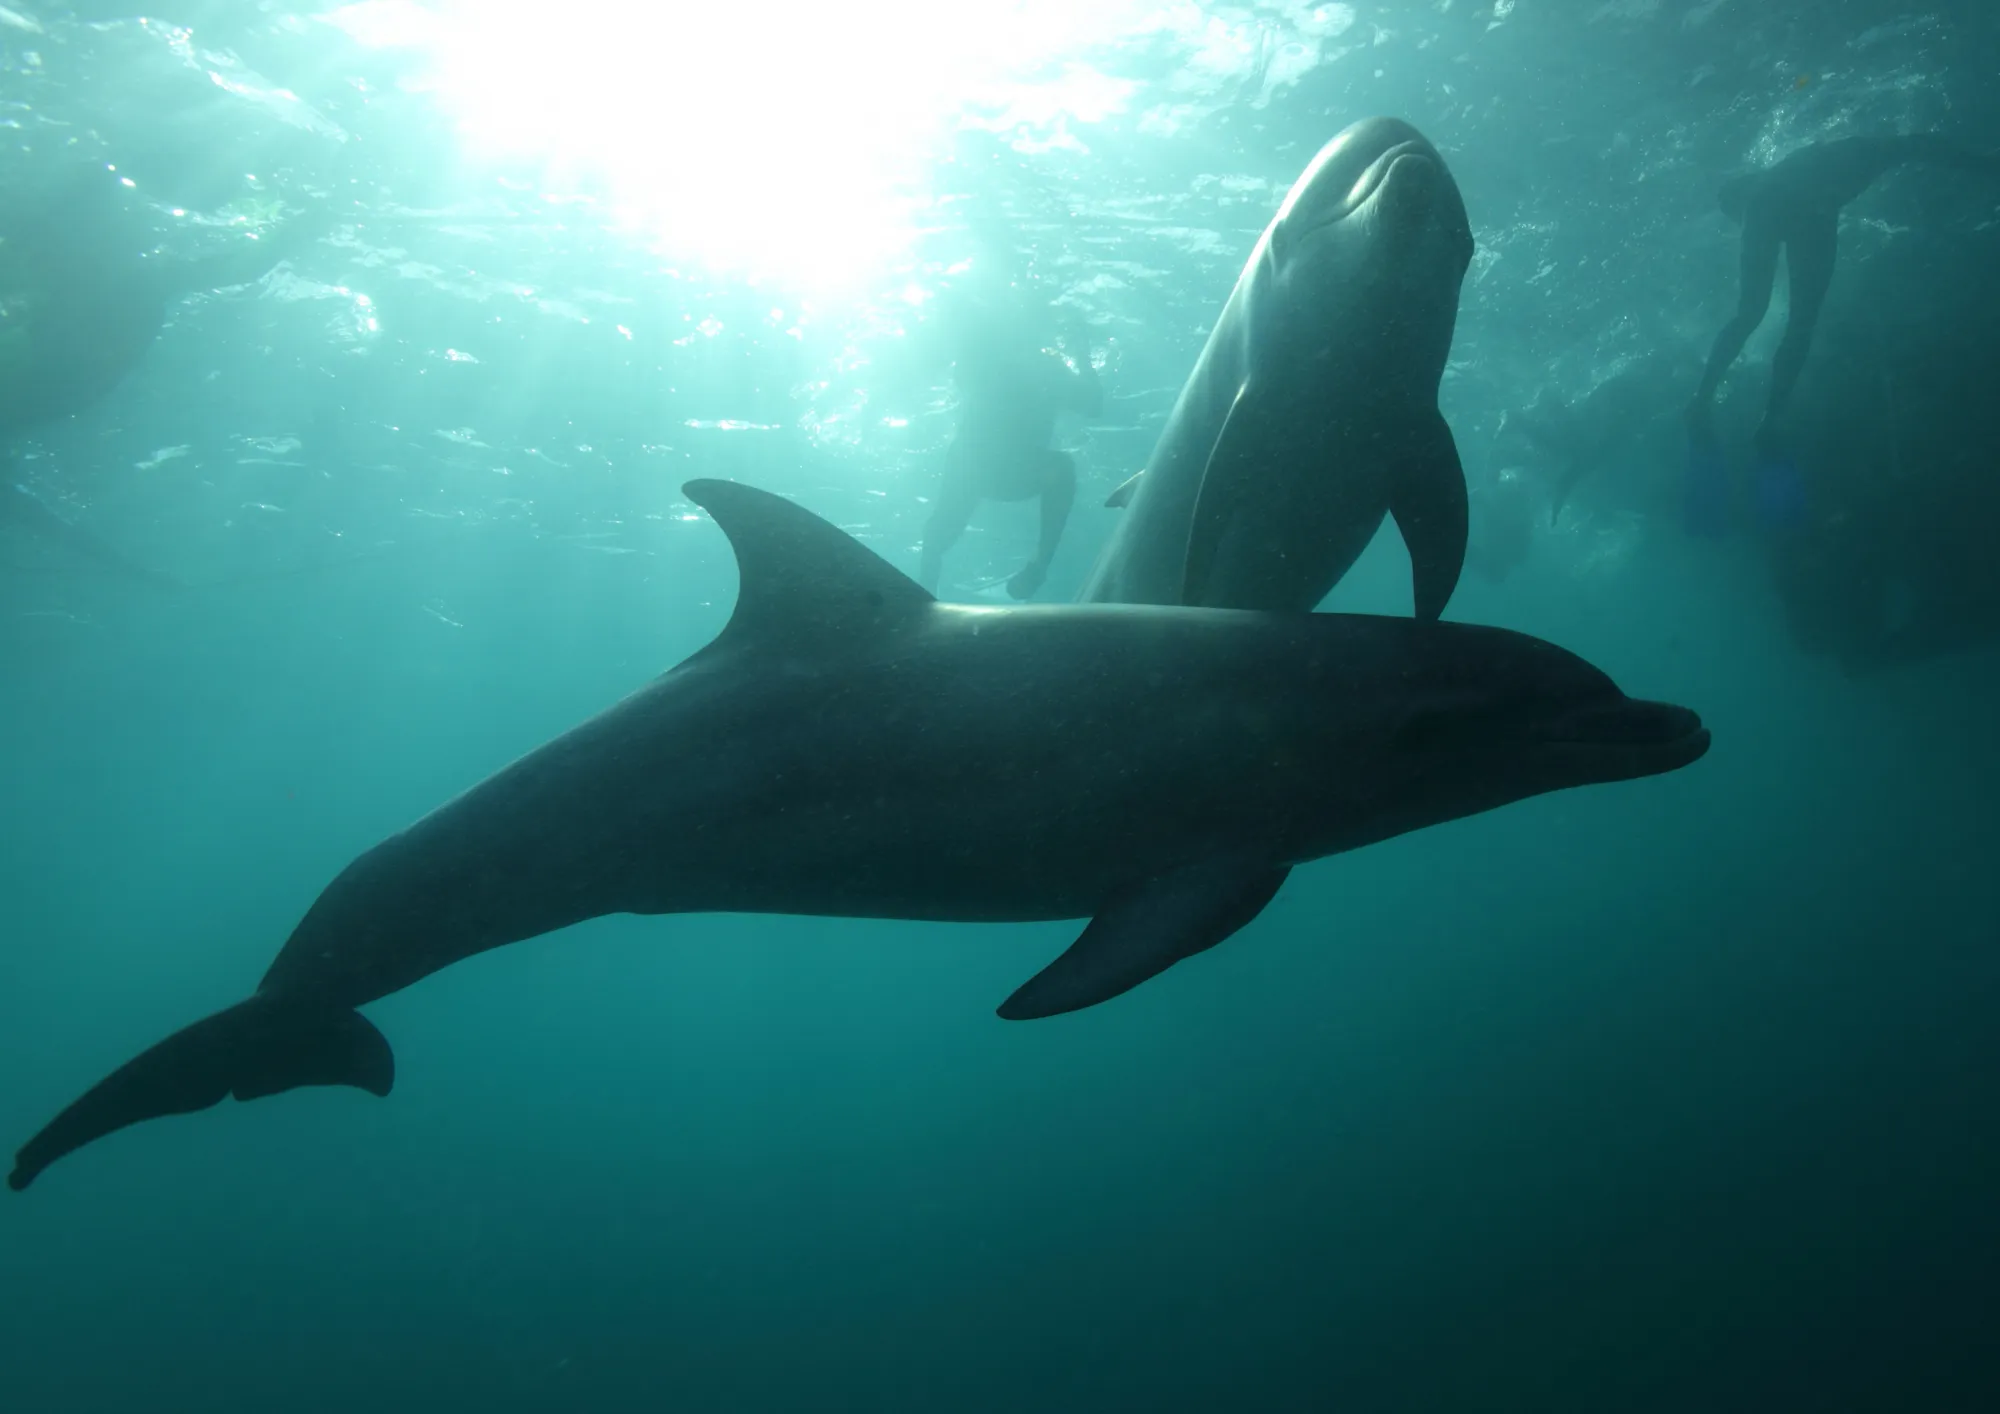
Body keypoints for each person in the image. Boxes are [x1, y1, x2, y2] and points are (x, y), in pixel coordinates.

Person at [1684, 134, 1999, 532]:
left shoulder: (1767, 185)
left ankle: (1703, 400)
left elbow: (1911, 146)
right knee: (1799, 323)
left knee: (1752, 314)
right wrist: (1982, 160)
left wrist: (1982, 159)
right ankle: (1769, 419)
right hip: (1817, 207)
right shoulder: (1840, 153)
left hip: (1796, 203)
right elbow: (1916, 145)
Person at [913, 284, 1101, 599]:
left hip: (996, 469)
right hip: (976, 466)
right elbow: (1092, 404)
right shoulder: (997, 358)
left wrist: (1082, 358)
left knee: (1062, 468)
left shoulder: (1044, 366)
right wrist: (1080, 359)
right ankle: (923, 586)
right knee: (940, 531)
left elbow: (1093, 406)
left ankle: (1037, 564)